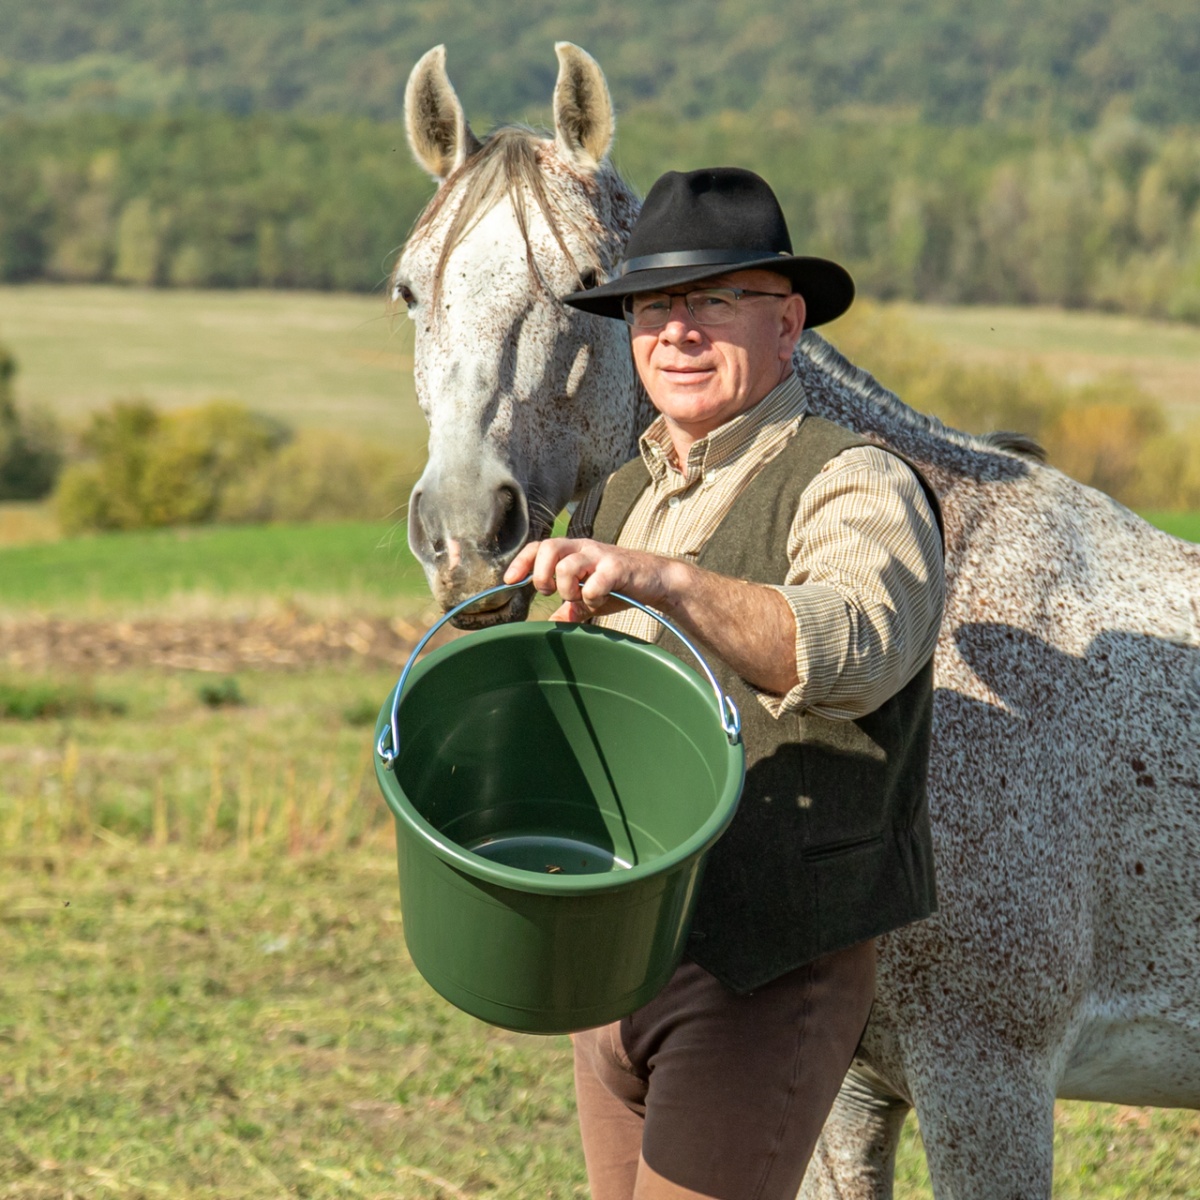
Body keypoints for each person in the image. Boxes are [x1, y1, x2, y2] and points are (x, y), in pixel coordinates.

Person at [502, 167, 945, 1200]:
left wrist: (667, 582)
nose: (677, 331)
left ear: (787, 326)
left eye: (715, 301)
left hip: (764, 963)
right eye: (655, 306)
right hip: (619, 955)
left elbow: (860, 643)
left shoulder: (853, 478)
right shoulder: (619, 493)